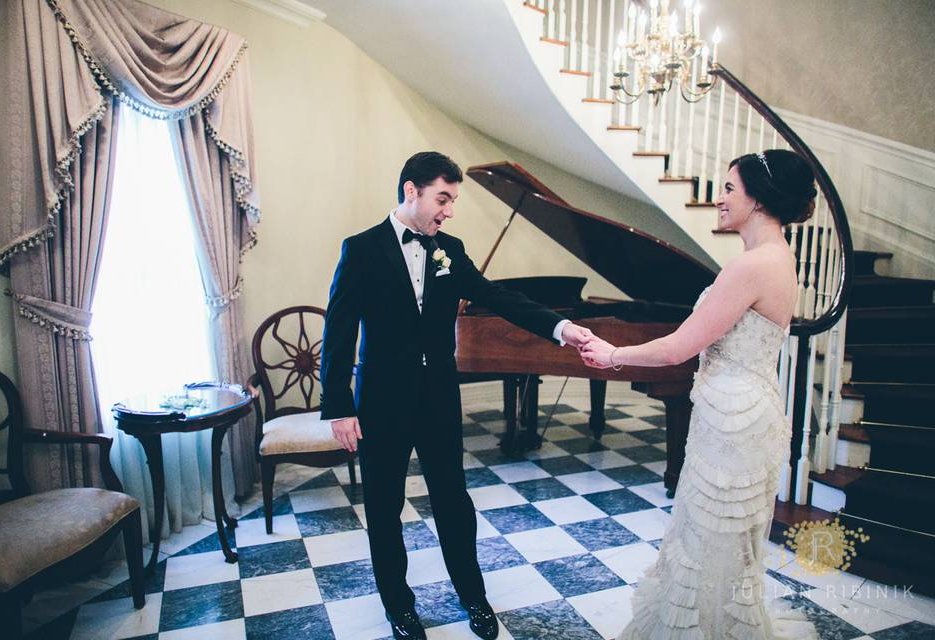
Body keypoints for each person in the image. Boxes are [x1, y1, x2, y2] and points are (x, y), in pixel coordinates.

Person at [320, 151, 594, 640]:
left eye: (451, 200)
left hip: (439, 398)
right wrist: (339, 407)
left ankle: (474, 597)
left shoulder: (452, 248)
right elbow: (338, 331)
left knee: (453, 502)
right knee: (384, 508)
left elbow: (498, 297)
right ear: (411, 190)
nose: (448, 210)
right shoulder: (360, 249)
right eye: (442, 198)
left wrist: (561, 326)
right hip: (380, 401)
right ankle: (398, 608)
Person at [580, 149, 819, 639]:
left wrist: (611, 355)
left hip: (734, 420)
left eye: (730, 188)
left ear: (758, 199)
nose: (720, 199)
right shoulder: (777, 257)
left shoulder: (752, 266)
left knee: (713, 540)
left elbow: (678, 349)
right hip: (742, 411)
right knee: (724, 541)